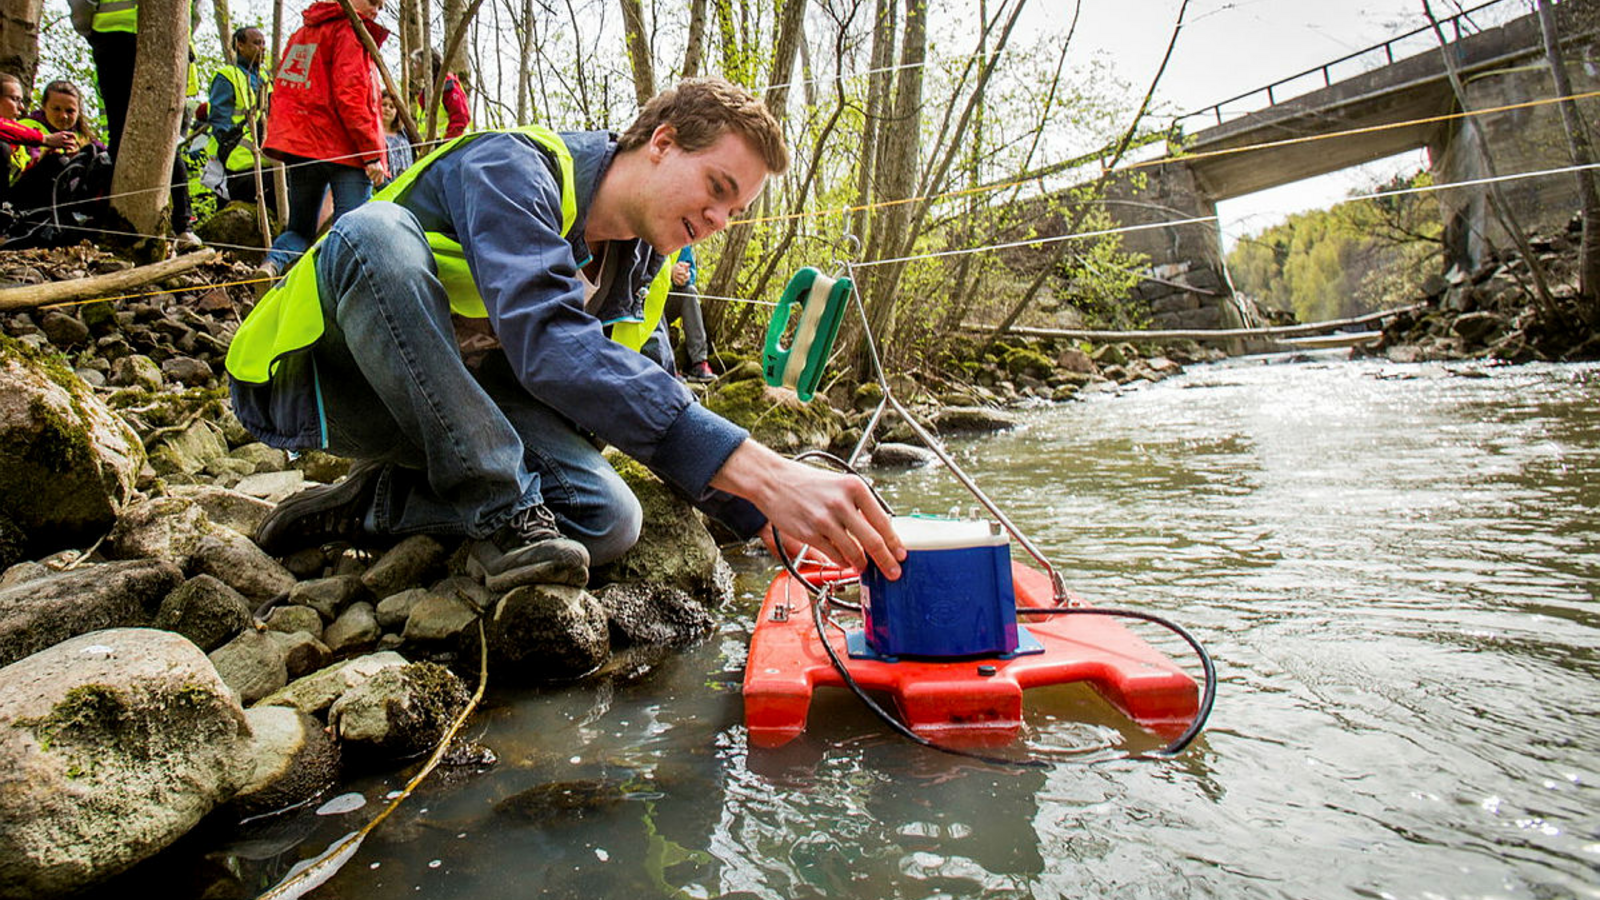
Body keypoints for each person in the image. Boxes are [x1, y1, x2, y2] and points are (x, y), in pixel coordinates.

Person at [227, 78, 904, 593]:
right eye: (717, 187)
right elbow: (548, 342)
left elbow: (659, 400)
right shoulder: (513, 167)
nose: (722, 218)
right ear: (662, 142)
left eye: (737, 209)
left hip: (456, 411)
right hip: (324, 381)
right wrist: (769, 470)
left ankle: (377, 505)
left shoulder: (644, 265)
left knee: (610, 520)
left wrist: (761, 513)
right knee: (375, 232)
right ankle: (501, 513)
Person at [254, 0, 389, 288]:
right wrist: (371, 154)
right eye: (373, 1)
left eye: (381, 5)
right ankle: (329, 290)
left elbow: (286, 91)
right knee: (351, 230)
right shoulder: (349, 32)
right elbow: (352, 96)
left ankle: (272, 264)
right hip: (346, 150)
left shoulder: (303, 33)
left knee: (300, 228)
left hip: (302, 147)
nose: (377, 9)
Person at [69, 0, 203, 249]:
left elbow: (81, 6)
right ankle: (135, 222)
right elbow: (197, 12)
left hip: (126, 39)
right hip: (145, 41)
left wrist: (91, 30)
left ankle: (179, 224)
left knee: (140, 135)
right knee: (154, 137)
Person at [204, 26, 269, 206]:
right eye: (257, 43)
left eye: (264, 44)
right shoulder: (227, 76)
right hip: (235, 166)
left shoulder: (267, 79)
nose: (262, 48)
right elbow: (219, 123)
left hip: (266, 161)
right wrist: (227, 149)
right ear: (240, 45)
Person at [0, 75, 78, 214]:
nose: (22, 107)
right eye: (14, 99)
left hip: (12, 199)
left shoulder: (81, 136)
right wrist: (45, 139)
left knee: (56, 162)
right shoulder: (28, 128)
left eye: (70, 111)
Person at [666, 243, 716, 381]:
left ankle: (699, 362)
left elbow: (691, 272)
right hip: (644, 303)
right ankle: (666, 364)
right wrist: (669, 272)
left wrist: (684, 277)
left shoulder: (682, 240)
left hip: (668, 303)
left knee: (690, 292)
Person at [410, 48, 471, 141]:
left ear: (427, 64)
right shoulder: (425, 93)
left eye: (416, 63)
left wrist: (448, 145)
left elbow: (461, 118)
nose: (413, 67)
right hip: (431, 150)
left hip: (449, 149)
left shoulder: (448, 86)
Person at [376, 90, 413, 190]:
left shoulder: (404, 134)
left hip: (407, 185)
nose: (387, 109)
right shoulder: (373, 134)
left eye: (392, 107)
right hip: (385, 187)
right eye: (384, 105)